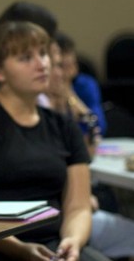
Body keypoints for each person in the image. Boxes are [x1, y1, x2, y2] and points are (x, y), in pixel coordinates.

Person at [0, 21, 107, 261]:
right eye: (26, 58)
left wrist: (73, 241)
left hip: (53, 246)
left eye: (43, 54)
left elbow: (78, 206)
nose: (42, 64)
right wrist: (19, 249)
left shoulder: (63, 125)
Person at [46, 36, 134, 261]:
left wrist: (71, 99)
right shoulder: (41, 109)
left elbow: (95, 134)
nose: (65, 73)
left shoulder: (80, 87)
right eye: (59, 66)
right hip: (60, 210)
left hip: (77, 205)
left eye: (67, 65)